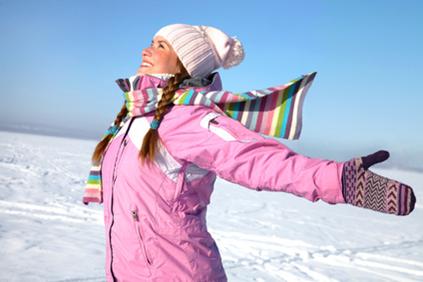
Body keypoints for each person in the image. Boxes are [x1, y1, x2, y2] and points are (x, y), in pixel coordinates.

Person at [82, 23, 416, 281]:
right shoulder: (135, 116)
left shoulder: (188, 119)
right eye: (151, 41)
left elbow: (255, 160)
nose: (146, 49)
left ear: (186, 62)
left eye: (160, 44)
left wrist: (337, 179)